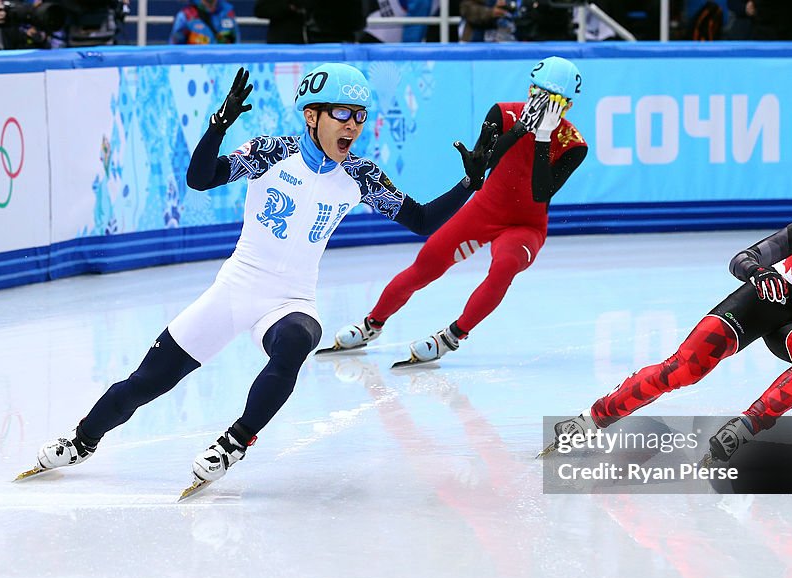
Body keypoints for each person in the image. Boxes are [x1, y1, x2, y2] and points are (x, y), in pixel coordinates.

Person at [29, 63, 498, 494]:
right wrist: (219, 125)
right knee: (147, 383)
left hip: (291, 299)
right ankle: (82, 440)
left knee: (298, 338)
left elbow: (419, 220)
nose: (354, 125)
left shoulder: (361, 175)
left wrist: (468, 186)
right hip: (235, 290)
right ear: (311, 116)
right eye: (343, 113)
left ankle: (235, 441)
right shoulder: (273, 152)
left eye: (360, 115)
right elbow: (201, 178)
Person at [542, 158, 792, 466]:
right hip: (759, 302)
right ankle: (590, 419)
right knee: (683, 370)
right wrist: (758, 274)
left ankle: (742, 428)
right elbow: (744, 258)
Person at [328, 56, 588, 364]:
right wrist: (520, 130)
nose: (540, 103)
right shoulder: (503, 113)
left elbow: (540, 192)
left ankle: (453, 335)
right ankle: (373, 323)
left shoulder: (574, 145)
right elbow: (484, 163)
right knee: (425, 267)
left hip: (526, 227)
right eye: (536, 93)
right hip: (484, 210)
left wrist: (542, 137)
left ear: (567, 106)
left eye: (552, 100)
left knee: (504, 267)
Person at [170, 0, 239, 44]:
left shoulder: (228, 13)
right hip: (195, 64)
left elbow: (235, 44)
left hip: (223, 64)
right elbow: (175, 50)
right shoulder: (186, 15)